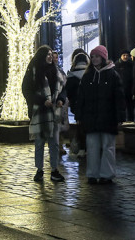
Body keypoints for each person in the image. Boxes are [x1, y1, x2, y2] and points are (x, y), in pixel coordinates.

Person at [77, 45, 124, 184]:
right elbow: (81, 97)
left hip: (108, 117)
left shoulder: (113, 75)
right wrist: (79, 114)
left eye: (97, 56)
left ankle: (106, 174)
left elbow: (119, 97)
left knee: (108, 147)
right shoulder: (87, 76)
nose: (94, 59)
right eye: (92, 57)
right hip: (91, 117)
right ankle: (92, 174)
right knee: (92, 146)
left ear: (103, 57)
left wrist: (120, 116)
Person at [22, 45, 66, 182]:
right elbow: (26, 90)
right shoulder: (33, 71)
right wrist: (41, 100)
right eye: (47, 54)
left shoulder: (57, 71)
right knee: (39, 142)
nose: (50, 56)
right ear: (41, 56)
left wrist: (60, 99)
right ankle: (39, 170)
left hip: (54, 111)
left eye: (51, 54)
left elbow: (63, 87)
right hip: (40, 112)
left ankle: (54, 170)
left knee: (54, 143)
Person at [65, 52, 89, 158]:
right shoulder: (90, 74)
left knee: (80, 126)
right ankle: (88, 148)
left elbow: (68, 92)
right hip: (89, 105)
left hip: (76, 105)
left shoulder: (71, 76)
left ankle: (82, 148)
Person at [52, 51, 69, 155]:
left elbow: (64, 87)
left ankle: (60, 145)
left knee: (61, 125)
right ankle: (54, 146)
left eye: (56, 57)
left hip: (61, 103)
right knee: (54, 126)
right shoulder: (49, 71)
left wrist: (62, 99)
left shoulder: (61, 72)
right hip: (52, 103)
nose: (55, 59)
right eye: (53, 57)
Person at [115, 49, 134, 122]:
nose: (125, 57)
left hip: (129, 89)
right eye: (124, 55)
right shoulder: (117, 65)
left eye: (127, 55)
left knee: (130, 108)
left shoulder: (131, 64)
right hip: (120, 90)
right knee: (121, 107)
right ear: (121, 56)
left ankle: (130, 122)